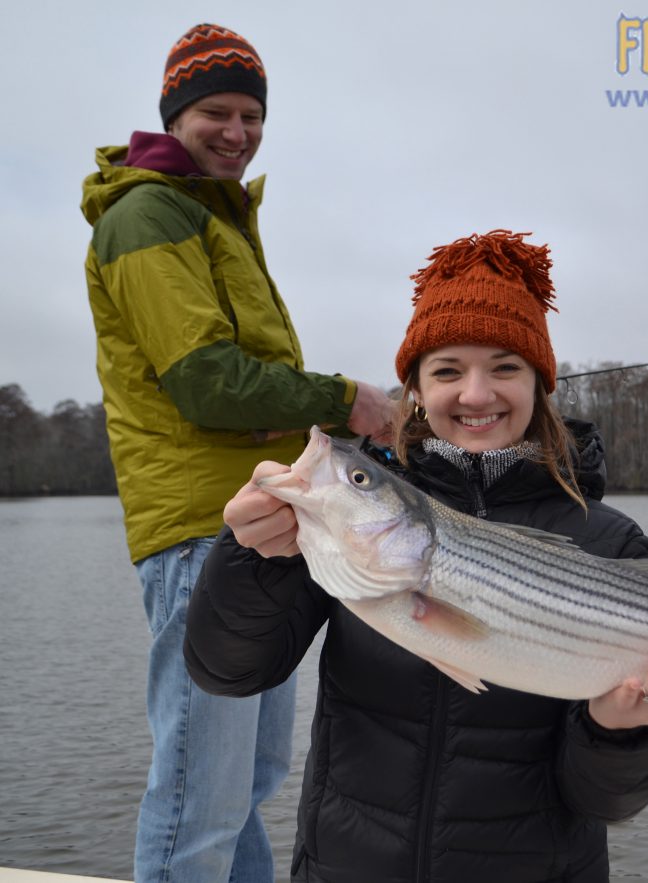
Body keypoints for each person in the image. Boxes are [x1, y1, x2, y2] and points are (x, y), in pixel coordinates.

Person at [184, 230, 648, 882]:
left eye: (506, 366)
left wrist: (619, 732)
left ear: (540, 383)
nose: (476, 394)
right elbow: (226, 669)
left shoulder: (609, 540)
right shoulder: (342, 532)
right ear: (414, 389)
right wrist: (255, 556)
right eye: (447, 370)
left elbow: (608, 799)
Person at [80, 23, 393, 883]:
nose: (237, 131)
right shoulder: (148, 215)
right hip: (197, 536)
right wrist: (346, 400)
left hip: (259, 531)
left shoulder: (214, 217)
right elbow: (208, 384)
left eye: (252, 114)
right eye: (216, 111)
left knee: (248, 782)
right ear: (175, 114)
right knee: (197, 800)